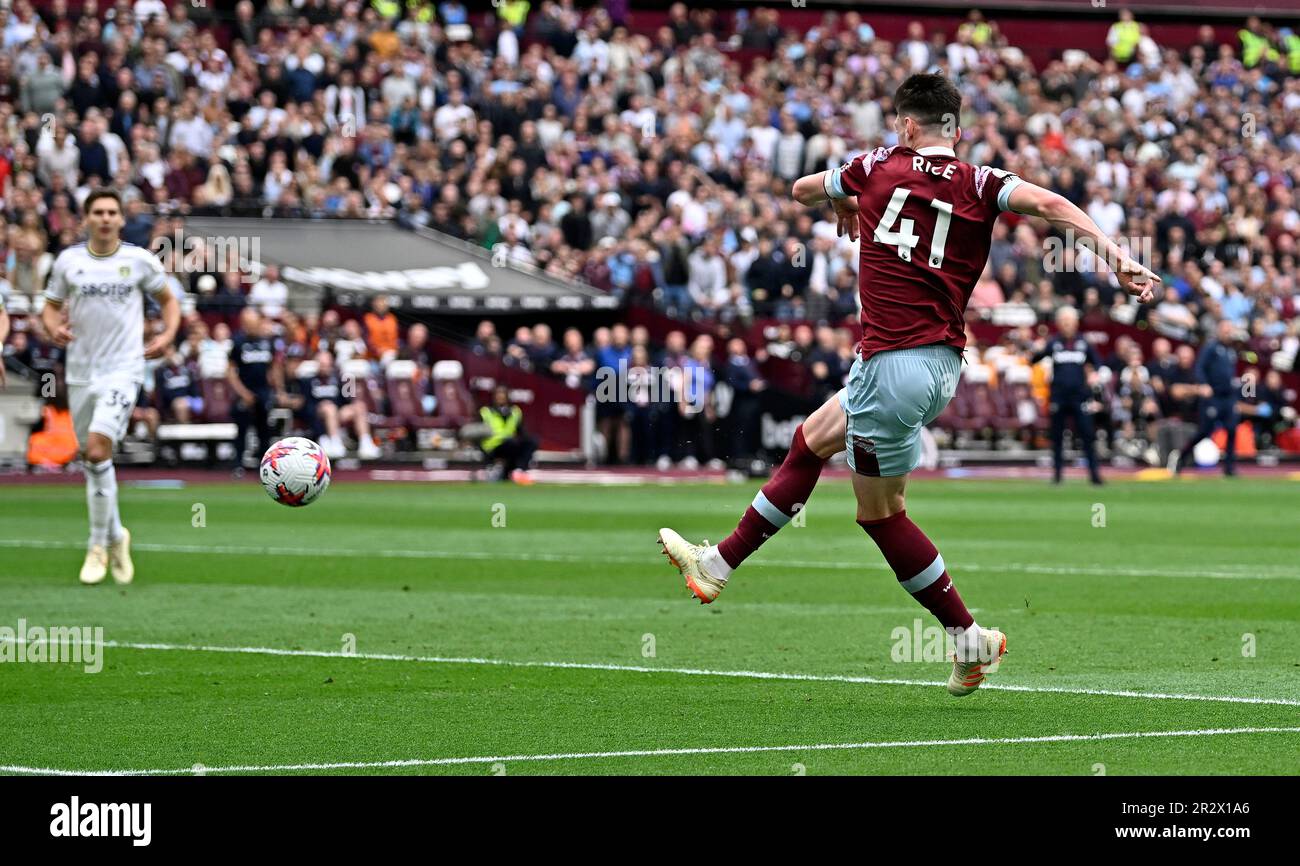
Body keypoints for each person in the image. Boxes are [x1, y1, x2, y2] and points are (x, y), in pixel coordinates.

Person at [657, 73, 1160, 697]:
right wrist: (1117, 256)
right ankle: (716, 565)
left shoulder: (874, 166)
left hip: (892, 363)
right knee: (810, 439)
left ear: (904, 125)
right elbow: (1053, 205)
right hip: (938, 364)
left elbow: (799, 189)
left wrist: (841, 198)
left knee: (881, 513)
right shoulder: (982, 182)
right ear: (957, 128)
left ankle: (967, 637)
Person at [40, 189, 181, 585]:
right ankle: (118, 535)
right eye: (98, 212)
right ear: (86, 219)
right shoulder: (69, 262)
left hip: (124, 368)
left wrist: (168, 334)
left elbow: (169, 301)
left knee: (100, 448)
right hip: (81, 371)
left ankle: (97, 545)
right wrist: (53, 328)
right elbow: (50, 307)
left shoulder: (138, 261)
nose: (105, 218)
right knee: (92, 459)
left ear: (121, 219)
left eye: (111, 212)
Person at [1032, 307, 1104, 485]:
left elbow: (1097, 363)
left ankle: (1094, 475)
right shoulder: (1054, 343)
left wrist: (1093, 375)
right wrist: (1037, 349)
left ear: (1076, 323)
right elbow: (1034, 359)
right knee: (1056, 437)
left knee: (1087, 435)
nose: (1067, 325)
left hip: (1080, 396)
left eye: (1070, 321)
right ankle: (1057, 475)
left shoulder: (1084, 343)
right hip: (1058, 396)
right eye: (1064, 322)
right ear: (1059, 324)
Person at [1173, 319, 1240, 476]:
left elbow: (1231, 373)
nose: (1228, 333)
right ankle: (1181, 458)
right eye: (1225, 330)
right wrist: (1203, 384)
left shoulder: (1230, 350)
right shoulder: (1211, 348)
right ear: (1219, 330)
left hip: (1228, 397)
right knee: (1204, 431)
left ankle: (1229, 467)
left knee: (1232, 429)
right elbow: (1200, 367)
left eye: (1229, 330)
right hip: (1213, 396)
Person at [480, 385, 535, 483]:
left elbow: (522, 432)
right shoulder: (485, 411)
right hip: (493, 447)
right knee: (510, 443)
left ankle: (519, 470)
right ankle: (496, 467)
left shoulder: (515, 411)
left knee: (531, 441)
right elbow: (479, 433)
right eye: (498, 394)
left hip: (510, 444)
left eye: (503, 394)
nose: (500, 397)